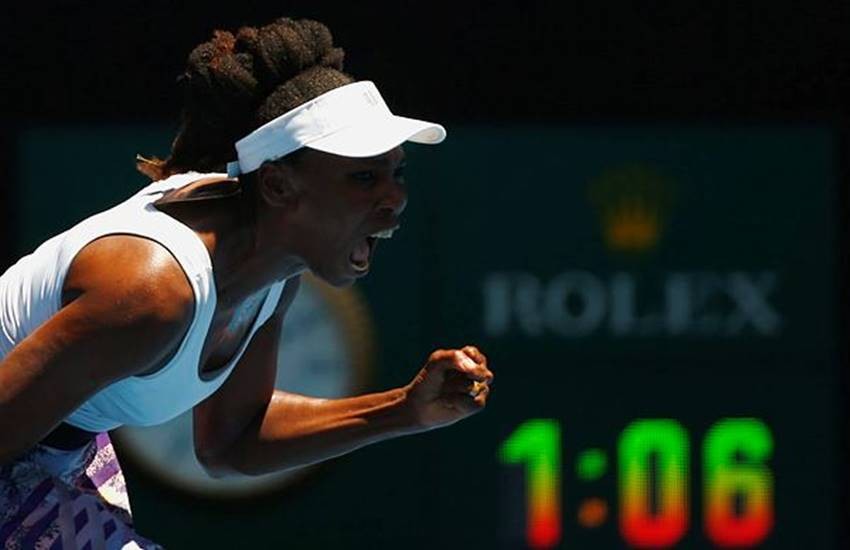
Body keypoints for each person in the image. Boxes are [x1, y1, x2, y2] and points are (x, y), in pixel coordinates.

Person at [0, 17, 493, 549]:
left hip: (56, 452)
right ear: (278, 185)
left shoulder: (272, 274)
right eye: (363, 177)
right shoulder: (153, 293)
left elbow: (232, 440)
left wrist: (405, 410)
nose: (395, 198)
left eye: (397, 173)